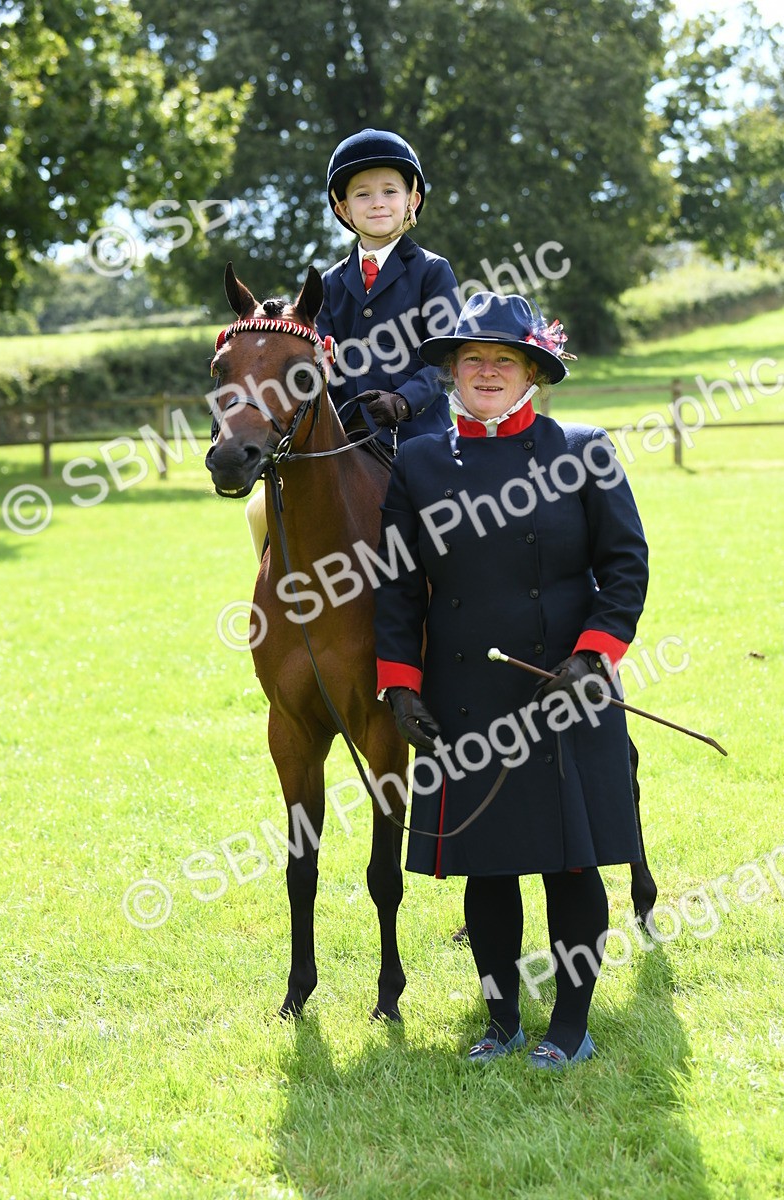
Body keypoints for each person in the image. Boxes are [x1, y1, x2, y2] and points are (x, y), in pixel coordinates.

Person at [373, 291, 649, 1069]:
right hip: (462, 695)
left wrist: (592, 656)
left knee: (570, 863)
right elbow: (395, 586)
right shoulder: (419, 461)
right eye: (472, 361)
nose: (486, 372)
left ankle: (569, 1024)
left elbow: (623, 566)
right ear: (452, 374)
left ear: (532, 372)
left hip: (563, 690)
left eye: (503, 360)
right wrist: (399, 685)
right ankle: (500, 1022)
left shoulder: (582, 448)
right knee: (487, 867)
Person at [245, 129, 460, 559]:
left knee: (442, 518)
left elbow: (445, 361)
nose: (377, 201)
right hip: (343, 438)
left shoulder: (432, 272)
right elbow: (320, 359)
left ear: (412, 201)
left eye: (389, 191)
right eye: (362, 194)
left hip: (416, 436)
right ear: (343, 209)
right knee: (257, 510)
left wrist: (402, 401)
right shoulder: (329, 282)